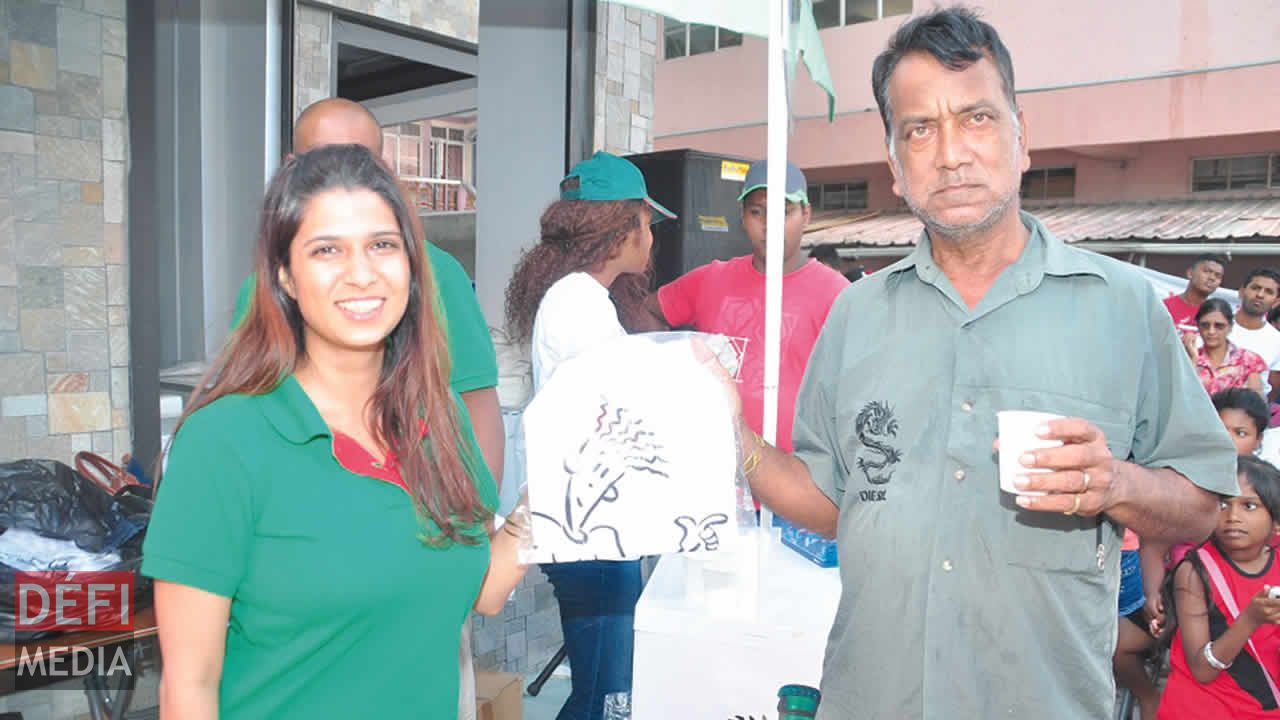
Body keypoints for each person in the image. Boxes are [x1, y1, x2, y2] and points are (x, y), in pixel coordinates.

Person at [729, 8, 1237, 718]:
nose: (950, 153)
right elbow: (834, 501)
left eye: (976, 118)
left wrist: (1112, 482)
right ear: (895, 168)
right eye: (919, 129)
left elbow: (1205, 505)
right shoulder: (856, 314)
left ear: (1022, 141)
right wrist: (736, 444)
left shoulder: (1122, 308)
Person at [142, 145, 529, 719]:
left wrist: (570, 489)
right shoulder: (224, 441)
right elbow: (188, 688)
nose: (362, 273)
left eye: (382, 245)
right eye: (327, 250)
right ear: (285, 277)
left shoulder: (439, 417)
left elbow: (485, 589)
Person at [231, 98, 505, 485]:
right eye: (326, 252)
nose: (360, 277)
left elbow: (475, 398)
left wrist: (481, 516)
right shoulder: (260, 289)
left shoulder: (438, 273)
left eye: (360, 163)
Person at [504, 151, 674, 720]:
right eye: (647, 222)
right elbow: (616, 411)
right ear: (620, 226)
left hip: (594, 526)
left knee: (600, 692)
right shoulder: (578, 303)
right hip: (592, 532)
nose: (651, 237)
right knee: (604, 699)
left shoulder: (580, 297)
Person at [645, 160, 848, 457]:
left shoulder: (836, 293)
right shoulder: (711, 279)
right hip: (714, 469)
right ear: (742, 217)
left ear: (806, 215)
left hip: (795, 479)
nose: (769, 224)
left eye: (784, 211)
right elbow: (647, 310)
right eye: (757, 211)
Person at [1157, 454, 1280, 720]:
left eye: (1249, 506)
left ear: (1277, 523)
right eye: (1223, 503)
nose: (1232, 516)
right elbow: (1202, 670)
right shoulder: (1194, 571)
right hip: (1206, 707)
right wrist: (1250, 619)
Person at [1187, 298, 1267, 395]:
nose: (1211, 331)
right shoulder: (1188, 357)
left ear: (1230, 327)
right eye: (1205, 325)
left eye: (1219, 326)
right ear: (1198, 326)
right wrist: (1193, 359)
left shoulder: (1249, 360)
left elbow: (1256, 404)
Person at [1230, 268, 1280, 401]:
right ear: (1241, 291)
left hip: (1252, 416)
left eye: (1269, 292)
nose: (1260, 295)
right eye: (1255, 288)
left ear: (1276, 301)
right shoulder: (1215, 326)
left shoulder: (1277, 341)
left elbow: (1273, 387)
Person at [1164, 254, 1226, 336]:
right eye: (1207, 271)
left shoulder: (1218, 316)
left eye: (1218, 276)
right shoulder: (1165, 307)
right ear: (1190, 273)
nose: (1212, 278)